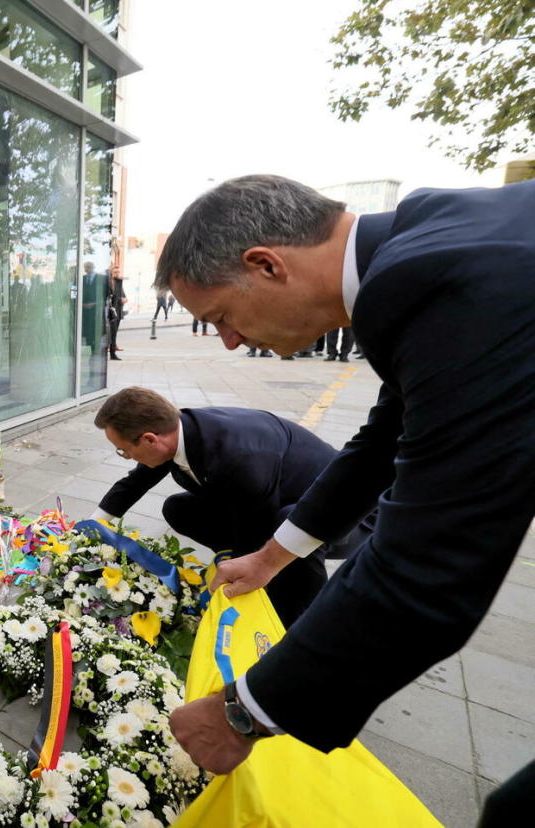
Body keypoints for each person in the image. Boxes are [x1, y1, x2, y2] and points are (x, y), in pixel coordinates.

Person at [156, 174, 535, 823]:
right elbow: (382, 442)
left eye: (221, 317)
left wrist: (241, 712)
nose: (228, 342)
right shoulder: (419, 253)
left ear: (267, 265)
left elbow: (428, 570)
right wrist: (270, 558)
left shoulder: (454, 288)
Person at [89, 386, 370, 626]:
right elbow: (135, 483)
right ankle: (232, 557)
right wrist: (92, 527)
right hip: (265, 500)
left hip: (345, 516)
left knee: (287, 525)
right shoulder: (178, 431)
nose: (126, 457)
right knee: (178, 508)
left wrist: (241, 574)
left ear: (149, 438)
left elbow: (257, 528)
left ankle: (296, 621)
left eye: (123, 450)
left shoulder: (239, 457)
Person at [105, 269, 126, 359]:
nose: (117, 274)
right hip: (108, 311)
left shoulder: (118, 283)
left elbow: (123, 295)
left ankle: (113, 354)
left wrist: (124, 299)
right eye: (115, 272)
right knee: (107, 333)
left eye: (118, 272)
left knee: (114, 334)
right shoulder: (107, 283)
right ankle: (107, 350)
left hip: (116, 312)